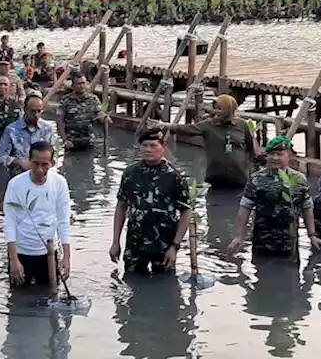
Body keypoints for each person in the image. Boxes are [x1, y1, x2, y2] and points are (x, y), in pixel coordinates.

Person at [228, 136, 321, 258]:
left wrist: (312, 235)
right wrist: (239, 236)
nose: (275, 158)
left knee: (292, 274)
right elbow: (245, 208)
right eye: (271, 154)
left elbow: (307, 208)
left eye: (279, 154)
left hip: (289, 243)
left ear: (289, 155)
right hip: (262, 241)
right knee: (261, 273)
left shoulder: (299, 180)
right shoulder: (256, 179)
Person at [110, 128, 191, 274]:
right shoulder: (130, 173)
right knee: (131, 285)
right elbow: (121, 206)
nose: (148, 149)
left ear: (163, 148)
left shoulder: (174, 177)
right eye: (145, 145)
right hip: (135, 244)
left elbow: (186, 212)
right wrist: (115, 242)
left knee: (166, 288)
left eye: (153, 146)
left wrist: (175, 246)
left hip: (164, 245)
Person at [3, 141, 71, 288]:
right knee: (17, 300)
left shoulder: (59, 183)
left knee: (50, 297)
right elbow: (9, 223)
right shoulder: (15, 185)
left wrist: (66, 257)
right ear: (29, 161)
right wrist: (14, 260)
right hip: (22, 252)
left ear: (52, 163)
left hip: (48, 253)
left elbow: (63, 221)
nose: (40, 169)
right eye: (35, 164)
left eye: (45, 164)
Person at [160, 94, 260, 189]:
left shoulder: (242, 125)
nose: (216, 111)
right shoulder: (209, 124)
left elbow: (251, 148)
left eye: (220, 109)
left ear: (228, 109)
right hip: (216, 175)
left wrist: (254, 168)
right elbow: (189, 129)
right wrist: (168, 126)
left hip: (239, 175)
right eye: (215, 108)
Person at [0, 92, 57, 175]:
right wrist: (19, 162)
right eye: (32, 111)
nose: (36, 115)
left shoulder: (47, 129)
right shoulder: (11, 130)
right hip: (19, 175)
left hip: (42, 175)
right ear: (25, 109)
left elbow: (54, 156)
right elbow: (1, 157)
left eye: (39, 111)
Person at [55, 71, 109, 152]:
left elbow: (99, 113)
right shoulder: (65, 100)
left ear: (87, 83)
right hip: (72, 142)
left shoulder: (93, 99)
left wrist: (104, 118)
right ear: (73, 86)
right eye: (79, 84)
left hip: (89, 141)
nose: (82, 86)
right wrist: (64, 140)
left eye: (83, 83)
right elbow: (59, 121)